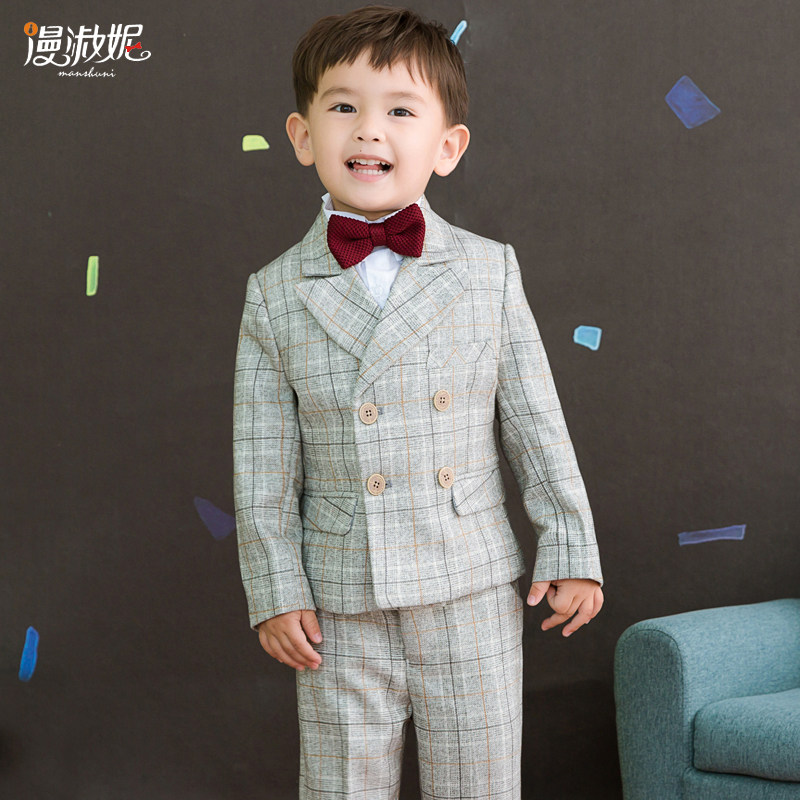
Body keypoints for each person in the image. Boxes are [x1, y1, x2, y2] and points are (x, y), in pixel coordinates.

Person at [232, 5, 604, 798]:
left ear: (447, 146)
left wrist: (570, 546)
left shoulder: (488, 270)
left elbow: (535, 422)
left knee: (480, 785)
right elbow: (263, 468)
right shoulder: (273, 293)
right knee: (340, 788)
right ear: (302, 136)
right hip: (339, 602)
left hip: (468, 584)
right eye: (344, 106)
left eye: (400, 111)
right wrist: (275, 590)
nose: (369, 130)